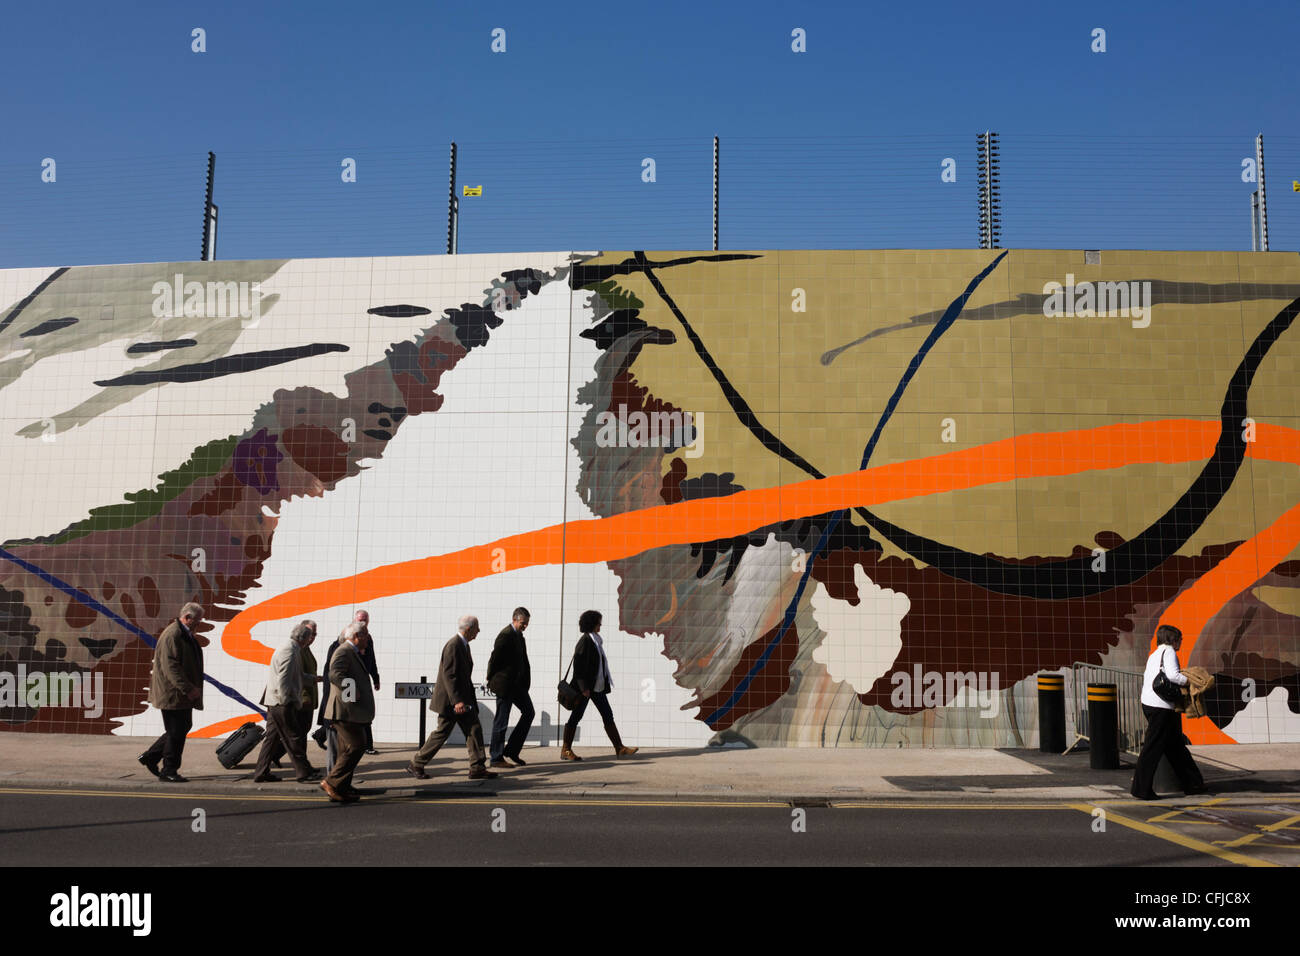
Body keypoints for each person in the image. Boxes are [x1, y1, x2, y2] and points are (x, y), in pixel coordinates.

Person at [406, 615, 496, 781]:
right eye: (477, 628)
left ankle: (477, 767)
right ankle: (416, 763)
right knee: (442, 733)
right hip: (452, 702)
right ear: (468, 629)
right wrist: (457, 701)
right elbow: (449, 675)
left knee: (474, 729)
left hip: (462, 699)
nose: (479, 631)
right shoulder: (453, 645)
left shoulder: (463, 645)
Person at [1131, 624, 1207, 800]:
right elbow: (1173, 676)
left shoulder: (1154, 654)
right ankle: (1141, 790)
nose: (1181, 642)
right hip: (1161, 707)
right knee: (1152, 748)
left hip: (1150, 704)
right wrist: (1190, 680)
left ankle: (1192, 783)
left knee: (1175, 747)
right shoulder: (1170, 652)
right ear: (1172, 639)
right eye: (1180, 639)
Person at [138, 602, 205, 783]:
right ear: (187, 618)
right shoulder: (173, 634)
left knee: (180, 728)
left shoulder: (183, 634)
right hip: (174, 693)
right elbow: (171, 668)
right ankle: (169, 770)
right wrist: (188, 688)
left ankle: (151, 757)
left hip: (179, 694)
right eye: (197, 621)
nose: (199, 624)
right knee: (176, 731)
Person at [561, 610, 638, 761]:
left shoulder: (596, 640)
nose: (600, 624)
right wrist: (584, 689)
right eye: (598, 622)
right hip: (586, 689)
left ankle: (619, 748)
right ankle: (566, 750)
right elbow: (579, 666)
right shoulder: (585, 641)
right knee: (576, 716)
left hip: (597, 687)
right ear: (592, 623)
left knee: (607, 715)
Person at [251, 621, 321, 783]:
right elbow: (283, 679)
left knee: (272, 738)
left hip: (276, 702)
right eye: (311, 636)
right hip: (281, 703)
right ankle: (303, 772)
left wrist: (314, 679)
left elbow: (296, 675)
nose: (312, 639)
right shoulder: (290, 651)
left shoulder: (292, 648)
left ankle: (261, 772)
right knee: (294, 738)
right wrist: (286, 702)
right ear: (304, 638)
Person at [321, 622, 375, 803]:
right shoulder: (344, 650)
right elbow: (335, 674)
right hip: (344, 711)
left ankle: (342, 788)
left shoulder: (353, 652)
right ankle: (331, 782)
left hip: (350, 712)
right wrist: (352, 691)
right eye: (366, 635)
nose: (368, 639)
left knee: (346, 750)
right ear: (357, 636)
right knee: (358, 746)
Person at [486, 607, 535, 768]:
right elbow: (494, 659)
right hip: (505, 685)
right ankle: (496, 757)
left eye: (527, 623)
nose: (525, 626)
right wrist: (490, 678)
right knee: (502, 720)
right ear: (515, 619)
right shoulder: (505, 635)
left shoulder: (519, 636)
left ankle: (512, 750)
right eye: (523, 623)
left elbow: (523, 661)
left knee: (529, 712)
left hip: (517, 685)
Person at [353, 609, 381, 754]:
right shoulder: (349, 636)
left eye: (365, 619)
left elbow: (371, 659)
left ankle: (367, 746)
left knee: (364, 711)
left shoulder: (368, 638)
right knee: (351, 713)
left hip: (363, 680)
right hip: (352, 682)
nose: (362, 622)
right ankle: (323, 733)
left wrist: (375, 677)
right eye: (360, 620)